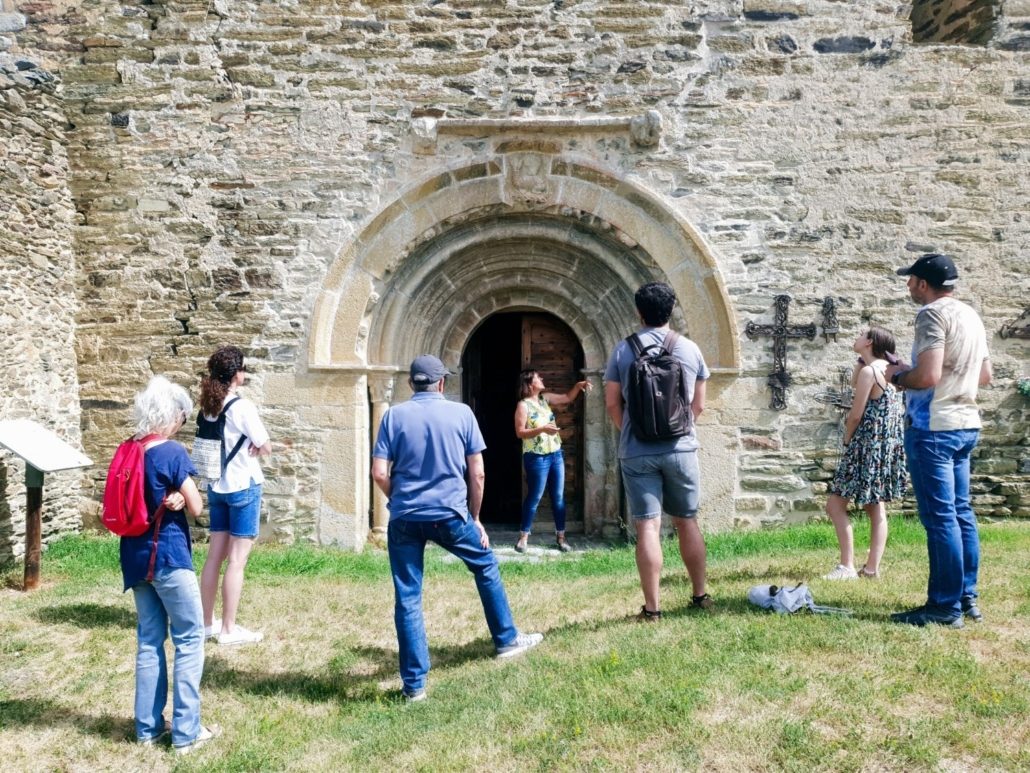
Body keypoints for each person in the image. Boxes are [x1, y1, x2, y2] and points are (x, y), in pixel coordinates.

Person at [372, 355, 544, 702]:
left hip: (405, 518)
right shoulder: (462, 413)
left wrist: (400, 498)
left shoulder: (392, 415)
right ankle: (506, 639)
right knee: (485, 566)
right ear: (441, 384)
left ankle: (414, 687)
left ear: (411, 384)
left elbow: (378, 472)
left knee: (408, 596)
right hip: (450, 513)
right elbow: (477, 472)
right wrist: (476, 517)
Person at [886, 253, 992, 628]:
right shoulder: (971, 316)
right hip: (966, 423)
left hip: (934, 427)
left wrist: (898, 375)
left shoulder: (932, 314)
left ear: (923, 284)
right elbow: (985, 376)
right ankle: (966, 598)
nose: (908, 286)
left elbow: (928, 376)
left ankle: (943, 607)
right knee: (962, 513)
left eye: (911, 280)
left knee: (941, 519)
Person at [121, 376, 219, 755]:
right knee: (190, 637)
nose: (183, 421)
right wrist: (182, 492)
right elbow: (197, 508)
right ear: (173, 415)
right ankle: (186, 732)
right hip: (169, 557)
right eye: (182, 414)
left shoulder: (129, 449)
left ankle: (147, 728)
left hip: (134, 555)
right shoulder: (172, 453)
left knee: (149, 639)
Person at [604, 282, 712, 621]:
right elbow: (699, 405)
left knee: (647, 527)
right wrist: (680, 429)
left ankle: (652, 609)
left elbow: (611, 402)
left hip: (637, 451)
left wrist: (633, 432)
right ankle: (700, 595)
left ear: (639, 312)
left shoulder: (623, 351)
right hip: (680, 448)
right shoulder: (690, 349)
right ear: (671, 309)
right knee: (687, 521)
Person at [197, 346, 272, 646]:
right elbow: (264, 445)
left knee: (214, 556)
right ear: (236, 375)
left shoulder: (208, 406)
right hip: (243, 485)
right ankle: (228, 629)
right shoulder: (241, 407)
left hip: (217, 486)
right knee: (237, 561)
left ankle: (205, 623)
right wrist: (257, 447)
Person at [823, 326, 907, 580]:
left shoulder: (871, 371)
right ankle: (871, 569)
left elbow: (856, 414)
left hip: (864, 447)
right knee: (875, 506)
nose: (855, 337)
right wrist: (861, 361)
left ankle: (846, 566)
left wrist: (848, 439)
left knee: (835, 505)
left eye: (860, 335)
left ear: (869, 342)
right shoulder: (889, 371)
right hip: (884, 449)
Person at [513, 369, 592, 553]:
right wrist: (541, 429)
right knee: (535, 496)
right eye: (537, 377)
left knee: (558, 497)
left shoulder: (545, 399)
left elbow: (566, 398)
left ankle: (561, 538)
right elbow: (520, 432)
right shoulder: (523, 406)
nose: (541, 378)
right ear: (530, 383)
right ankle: (523, 537)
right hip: (536, 456)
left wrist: (578, 386)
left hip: (556, 454)